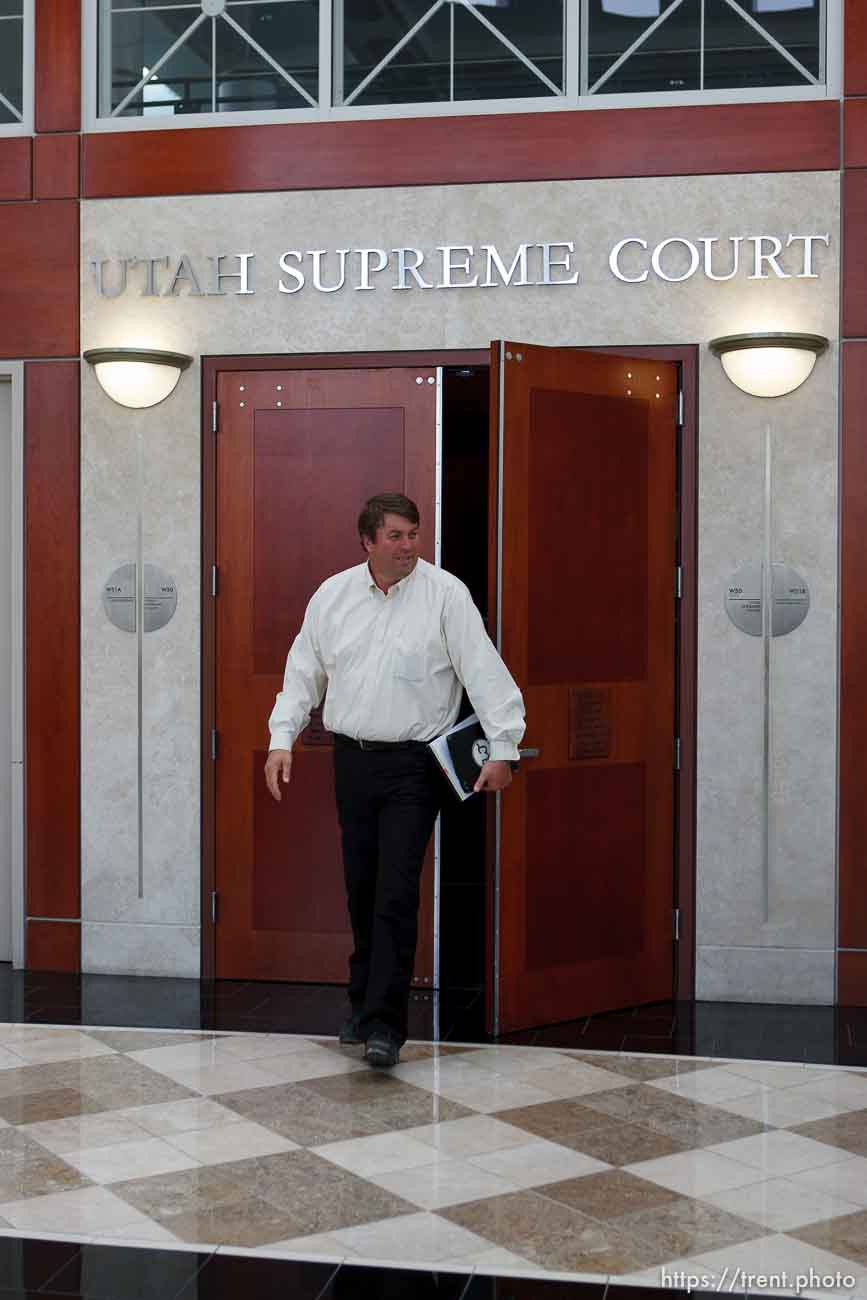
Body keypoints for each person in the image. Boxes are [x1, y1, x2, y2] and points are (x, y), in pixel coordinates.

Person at [264, 492, 525, 1068]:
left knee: (396, 890)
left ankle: (386, 1025)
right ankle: (361, 1008)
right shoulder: (331, 597)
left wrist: (503, 747)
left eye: (414, 535)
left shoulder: (445, 595)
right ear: (368, 541)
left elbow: (484, 671)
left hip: (416, 765)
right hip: (352, 762)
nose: (409, 546)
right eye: (396, 537)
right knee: (361, 886)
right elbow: (302, 671)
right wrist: (281, 739)